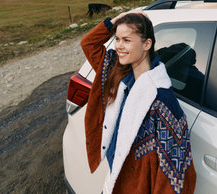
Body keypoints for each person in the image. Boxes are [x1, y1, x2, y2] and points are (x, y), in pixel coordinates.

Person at [81, 12, 197, 193]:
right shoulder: (117, 72)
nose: (119, 46)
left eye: (126, 40)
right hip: (112, 179)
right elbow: (88, 44)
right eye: (117, 39)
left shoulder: (161, 100)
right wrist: (117, 18)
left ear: (146, 44)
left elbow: (175, 174)